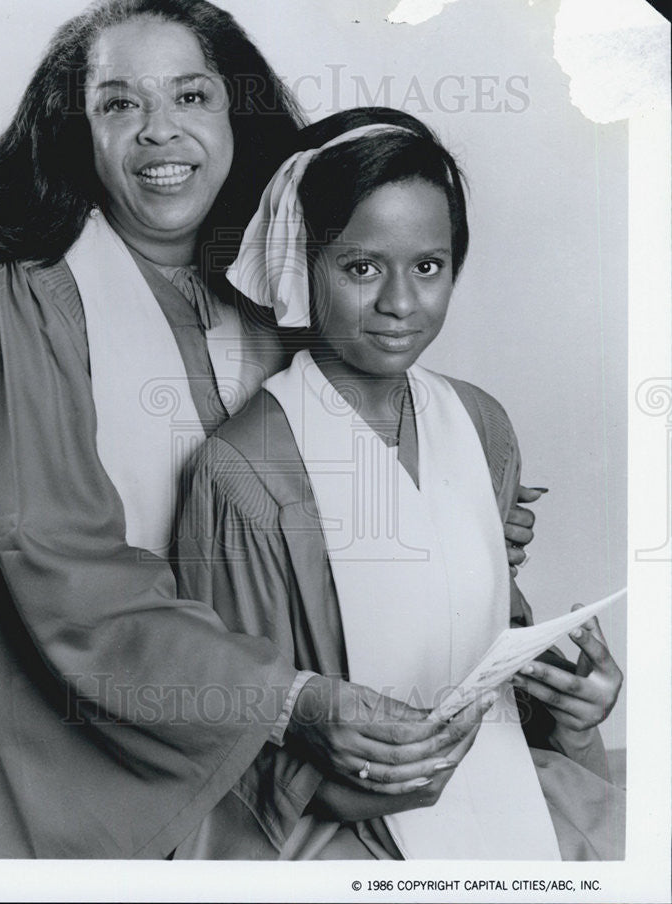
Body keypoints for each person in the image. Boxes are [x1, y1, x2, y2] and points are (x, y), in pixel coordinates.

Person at [0, 0, 531, 859]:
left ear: (236, 115)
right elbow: (61, 573)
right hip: (91, 764)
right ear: (78, 132)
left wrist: (458, 514)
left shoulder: (270, 294)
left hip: (283, 762)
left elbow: (305, 521)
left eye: (191, 95)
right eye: (118, 103)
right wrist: (288, 702)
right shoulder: (24, 301)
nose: (159, 129)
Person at [175, 108, 626, 859]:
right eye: (360, 267)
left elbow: (483, 648)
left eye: (428, 266)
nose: (399, 302)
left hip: (501, 783)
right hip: (336, 825)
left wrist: (573, 708)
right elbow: (233, 719)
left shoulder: (481, 424)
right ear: (303, 264)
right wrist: (344, 787)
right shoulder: (244, 469)